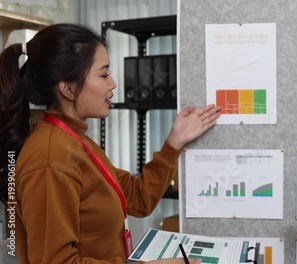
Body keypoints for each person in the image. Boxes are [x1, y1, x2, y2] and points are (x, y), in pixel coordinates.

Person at [0, 23, 220, 263]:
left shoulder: (75, 142)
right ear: (69, 89)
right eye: (103, 74)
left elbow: (137, 198)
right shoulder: (50, 158)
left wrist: (173, 143)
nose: (113, 84)